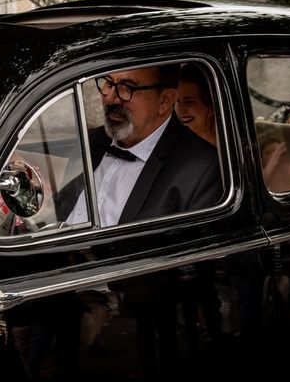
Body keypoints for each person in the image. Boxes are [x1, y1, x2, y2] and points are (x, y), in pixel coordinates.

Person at [62, 65, 222, 380]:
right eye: (107, 83)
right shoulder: (85, 142)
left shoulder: (201, 167)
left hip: (132, 325)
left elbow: (188, 275)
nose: (109, 97)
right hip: (54, 306)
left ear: (166, 101)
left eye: (127, 88)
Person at [174, 63, 224, 356]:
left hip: (217, 251)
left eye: (189, 102)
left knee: (208, 300)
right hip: (185, 248)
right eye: (177, 103)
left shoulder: (227, 152)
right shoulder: (178, 153)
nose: (181, 111)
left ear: (210, 106)